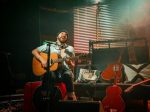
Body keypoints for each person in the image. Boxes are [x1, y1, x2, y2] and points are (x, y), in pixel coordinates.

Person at [32, 31, 77, 101]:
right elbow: (34, 51)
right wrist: (42, 60)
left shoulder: (70, 48)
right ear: (57, 36)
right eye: (62, 33)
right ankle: (44, 99)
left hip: (65, 72)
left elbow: (73, 65)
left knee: (68, 74)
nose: (64, 35)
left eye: (66, 35)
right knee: (48, 74)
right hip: (53, 72)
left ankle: (71, 98)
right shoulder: (49, 45)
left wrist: (69, 63)